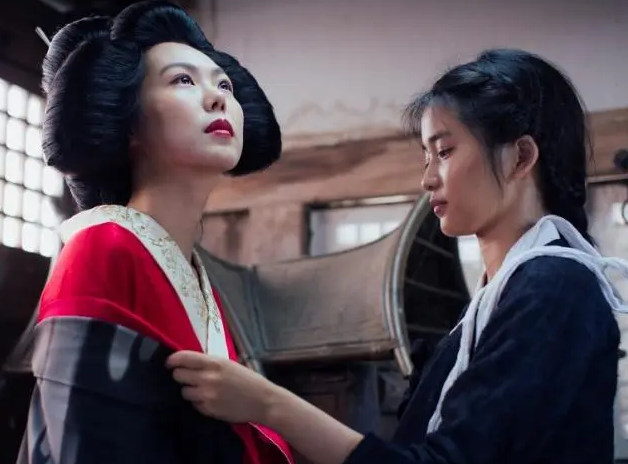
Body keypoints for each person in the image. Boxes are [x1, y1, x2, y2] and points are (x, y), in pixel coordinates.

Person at [166, 49, 628, 464]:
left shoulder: (554, 286)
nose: (428, 179)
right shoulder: (504, 294)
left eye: (444, 151)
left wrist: (268, 404)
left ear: (521, 157)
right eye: (427, 156)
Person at [18, 2, 293, 464]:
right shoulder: (101, 248)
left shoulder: (194, 275)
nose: (217, 98)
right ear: (128, 123)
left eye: (223, 84)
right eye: (183, 80)